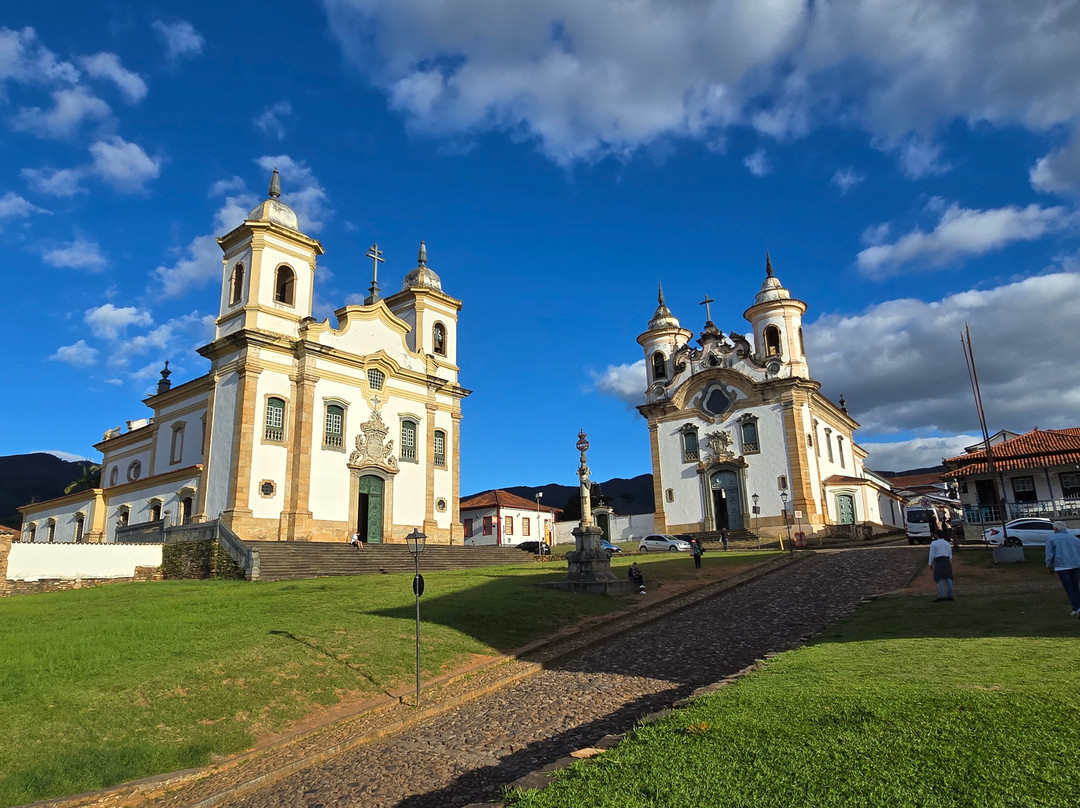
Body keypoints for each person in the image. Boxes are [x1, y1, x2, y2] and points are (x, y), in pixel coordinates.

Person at [1045, 521, 1080, 616]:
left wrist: (1049, 566)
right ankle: (1076, 607)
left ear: (1055, 529)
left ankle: (1077, 607)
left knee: (1069, 587)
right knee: (1075, 586)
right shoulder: (1074, 539)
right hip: (1075, 565)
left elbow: (1049, 555)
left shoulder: (1052, 539)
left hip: (1062, 566)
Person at [928, 532, 953, 602]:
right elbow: (950, 554)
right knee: (948, 577)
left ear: (937, 535)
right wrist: (949, 561)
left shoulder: (934, 543)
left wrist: (930, 563)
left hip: (939, 560)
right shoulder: (947, 543)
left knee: (939, 578)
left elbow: (932, 554)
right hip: (947, 560)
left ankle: (942, 595)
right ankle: (951, 595)